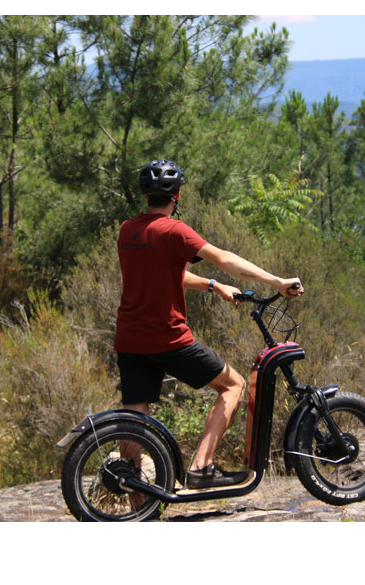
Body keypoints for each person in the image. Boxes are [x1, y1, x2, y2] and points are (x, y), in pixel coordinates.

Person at [116, 159, 305, 495]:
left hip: (130, 339)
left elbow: (163, 274)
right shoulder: (175, 230)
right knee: (233, 386)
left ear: (146, 195)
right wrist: (276, 281)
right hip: (167, 337)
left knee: (135, 416)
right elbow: (224, 258)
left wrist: (212, 286)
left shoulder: (128, 230)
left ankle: (135, 501)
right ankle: (202, 467)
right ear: (177, 195)